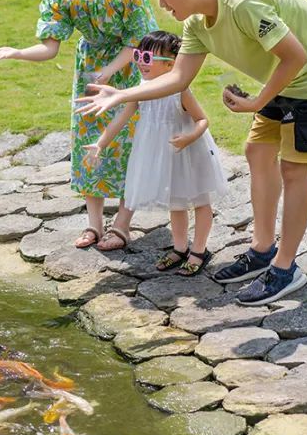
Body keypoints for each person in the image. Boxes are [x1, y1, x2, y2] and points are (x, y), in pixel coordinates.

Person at [77, 0, 307, 306]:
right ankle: (263, 249)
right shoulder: (195, 24)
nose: (161, 5)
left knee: (294, 170)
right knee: (256, 152)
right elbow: (178, 78)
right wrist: (122, 95)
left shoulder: (244, 5)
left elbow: (296, 56)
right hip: (284, 80)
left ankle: (286, 269)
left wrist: (257, 101)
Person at [0, 0, 157, 251]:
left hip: (125, 71)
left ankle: (122, 224)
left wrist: (110, 70)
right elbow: (50, 48)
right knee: (88, 142)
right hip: (90, 73)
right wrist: (17, 52)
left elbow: (140, 39)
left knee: (127, 143)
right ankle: (94, 225)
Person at [85, 31, 228, 275]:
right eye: (139, 55)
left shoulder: (179, 90)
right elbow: (121, 117)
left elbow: (202, 119)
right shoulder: (140, 90)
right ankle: (181, 247)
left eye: (148, 57)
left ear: (171, 64)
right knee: (177, 202)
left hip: (190, 152)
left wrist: (189, 137)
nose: (140, 61)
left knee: (200, 201)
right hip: (164, 155)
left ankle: (199, 250)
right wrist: (100, 143)